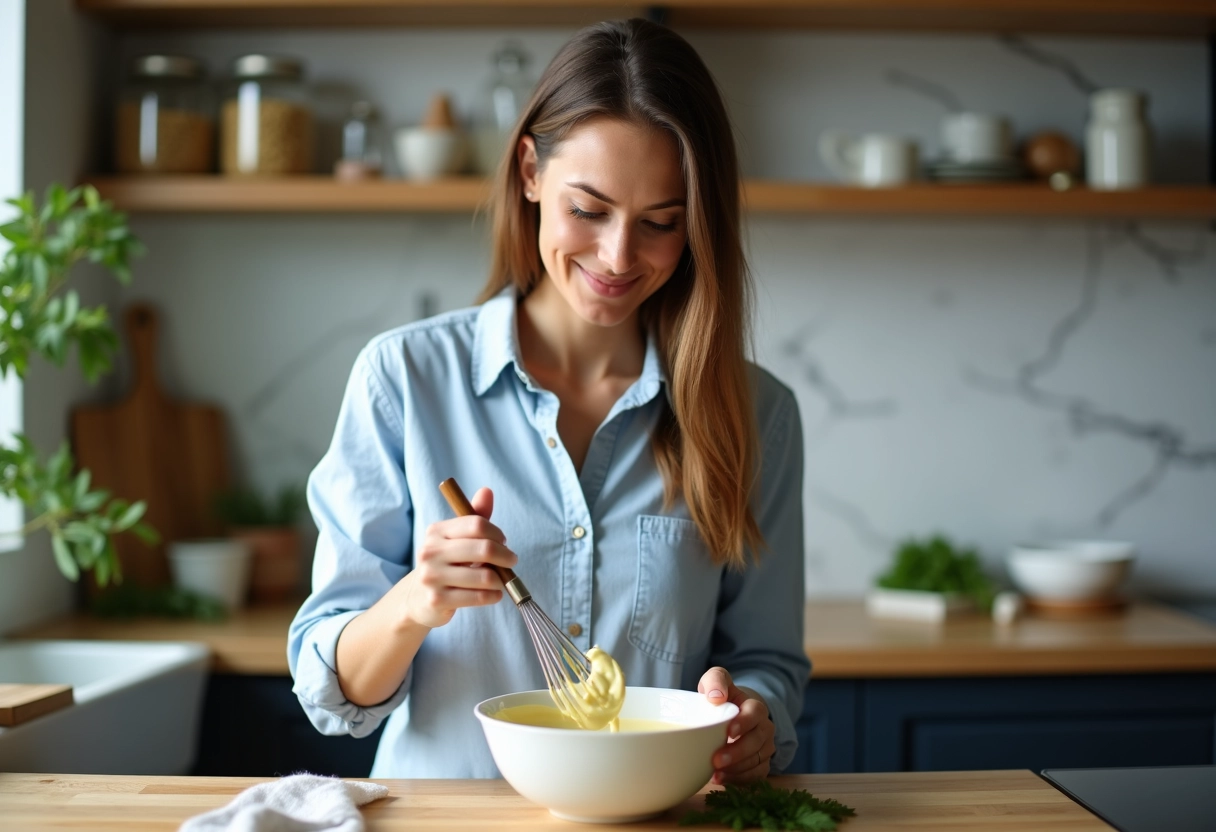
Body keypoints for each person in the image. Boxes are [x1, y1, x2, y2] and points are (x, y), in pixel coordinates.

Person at [288, 18, 809, 782]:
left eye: (660, 223)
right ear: (530, 171)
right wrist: (414, 602)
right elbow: (332, 692)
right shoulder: (403, 379)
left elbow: (767, 662)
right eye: (589, 210)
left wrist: (755, 717)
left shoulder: (757, 414)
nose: (618, 256)